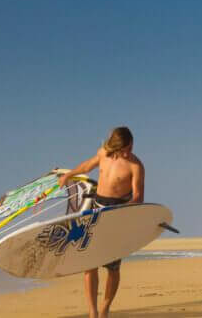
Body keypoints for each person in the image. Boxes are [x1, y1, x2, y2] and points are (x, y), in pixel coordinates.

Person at [59, 126, 145, 318]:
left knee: (113, 269)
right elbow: (87, 166)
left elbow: (138, 196)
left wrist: (123, 211)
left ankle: (105, 307)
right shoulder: (104, 154)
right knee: (90, 264)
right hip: (96, 209)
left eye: (130, 148)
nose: (128, 152)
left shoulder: (136, 166)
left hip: (117, 215)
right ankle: (93, 311)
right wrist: (69, 174)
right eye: (125, 149)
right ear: (116, 146)